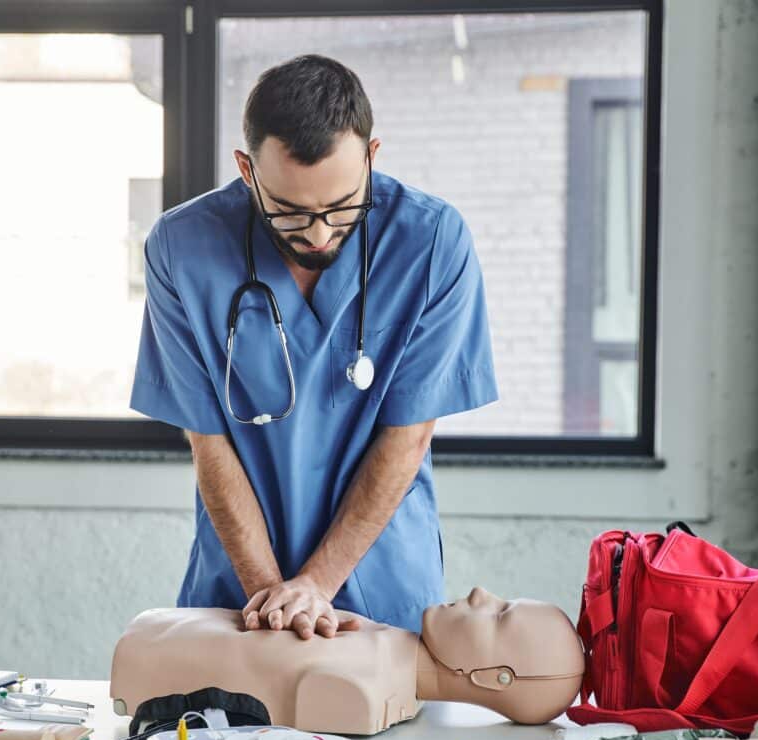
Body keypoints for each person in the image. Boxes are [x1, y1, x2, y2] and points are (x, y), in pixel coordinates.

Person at [130, 54, 497, 639]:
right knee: (221, 729)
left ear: (372, 158)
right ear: (247, 171)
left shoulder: (432, 242)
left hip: (378, 587)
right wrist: (272, 602)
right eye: (290, 213)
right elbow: (209, 444)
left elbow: (408, 437)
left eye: (342, 206)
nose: (320, 234)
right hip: (242, 592)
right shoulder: (181, 248)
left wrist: (316, 587)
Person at [110, 588, 585, 733]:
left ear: (492, 677)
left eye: (500, 615)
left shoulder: (364, 690)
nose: (483, 593)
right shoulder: (387, 652)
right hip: (154, 640)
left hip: (152, 658)